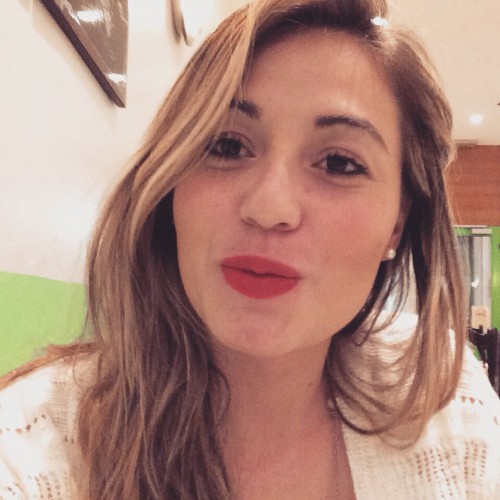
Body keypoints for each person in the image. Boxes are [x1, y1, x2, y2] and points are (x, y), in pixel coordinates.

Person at [1, 0, 499, 498]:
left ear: (397, 223)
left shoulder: (448, 403)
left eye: (340, 163)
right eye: (226, 146)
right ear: (169, 185)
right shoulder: (30, 448)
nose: (269, 207)